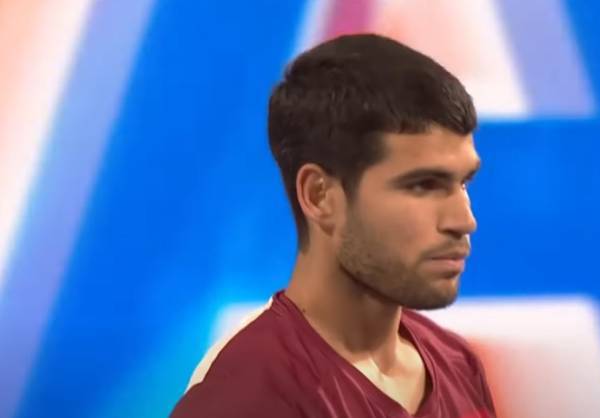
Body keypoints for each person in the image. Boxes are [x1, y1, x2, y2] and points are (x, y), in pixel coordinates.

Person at [170, 33, 495, 418]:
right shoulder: (245, 394)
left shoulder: (458, 363)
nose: (464, 220)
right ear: (319, 195)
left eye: (463, 183)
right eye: (423, 184)